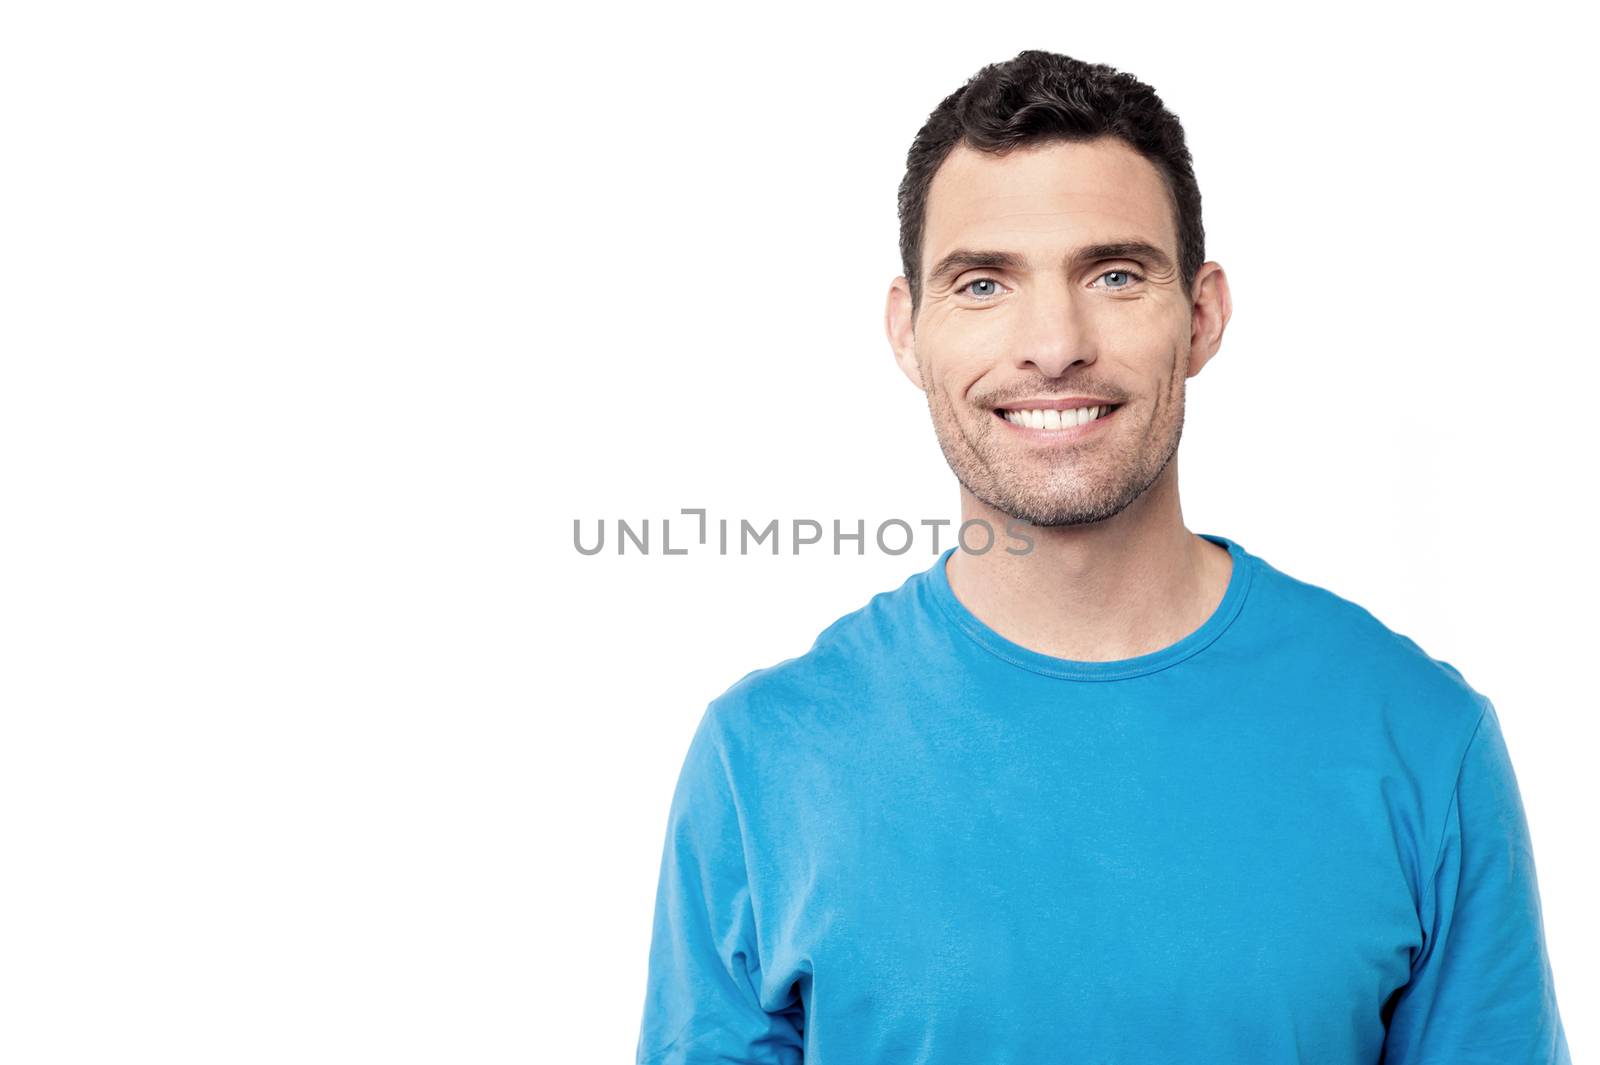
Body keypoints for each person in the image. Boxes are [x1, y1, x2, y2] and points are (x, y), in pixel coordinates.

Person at [633, 49, 1569, 1064]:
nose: (1053, 344)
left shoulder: (1421, 740)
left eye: (1114, 275)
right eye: (983, 282)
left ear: (1201, 315)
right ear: (908, 332)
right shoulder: (764, 760)